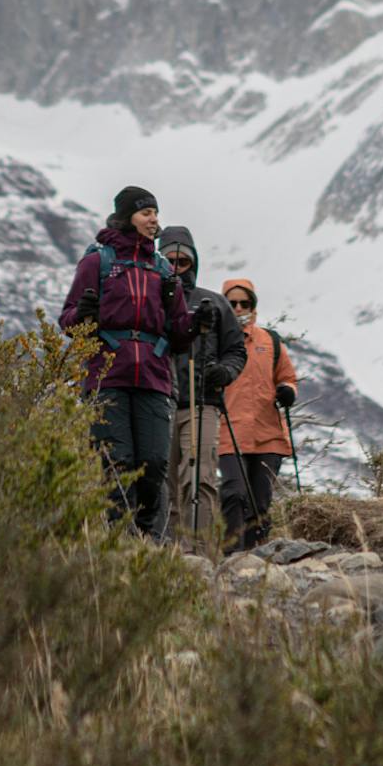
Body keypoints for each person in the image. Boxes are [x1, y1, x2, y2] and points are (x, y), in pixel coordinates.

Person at [56, 185, 193, 537]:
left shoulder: (163, 270)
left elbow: (178, 333)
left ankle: (150, 542)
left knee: (154, 463)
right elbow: (68, 319)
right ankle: (120, 543)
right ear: (128, 216)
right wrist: (83, 316)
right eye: (146, 212)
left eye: (155, 213)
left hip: (153, 377)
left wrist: (195, 326)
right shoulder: (97, 262)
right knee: (117, 463)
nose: (154, 219)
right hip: (107, 376)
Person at [159, 226, 244, 550]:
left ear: (193, 262)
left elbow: (236, 350)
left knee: (199, 476)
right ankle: (171, 552)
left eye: (183, 262)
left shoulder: (216, 303)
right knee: (164, 482)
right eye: (170, 262)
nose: (178, 268)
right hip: (160, 401)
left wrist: (224, 372)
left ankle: (202, 552)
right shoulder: (151, 301)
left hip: (201, 402)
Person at [215, 277, 297, 551]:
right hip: (228, 431)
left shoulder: (270, 341)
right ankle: (231, 556)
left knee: (261, 500)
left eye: (244, 303)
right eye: (232, 302)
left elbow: (287, 378)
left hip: (267, 433)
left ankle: (256, 556)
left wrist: (287, 391)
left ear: (253, 305)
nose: (238, 308)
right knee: (234, 493)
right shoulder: (213, 342)